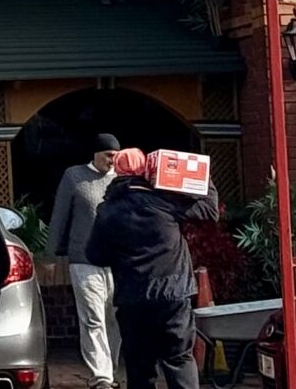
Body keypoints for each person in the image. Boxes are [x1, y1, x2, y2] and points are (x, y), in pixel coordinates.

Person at [85, 147, 216, 389]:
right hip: (173, 295)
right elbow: (210, 211)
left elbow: (94, 256)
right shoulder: (166, 202)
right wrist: (201, 176)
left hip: (132, 298)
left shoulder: (107, 211)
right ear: (147, 170)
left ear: (117, 173)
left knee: (139, 368)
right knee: (179, 359)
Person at [48, 133, 122, 387]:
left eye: (116, 156)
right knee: (92, 318)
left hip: (117, 262)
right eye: (108, 155)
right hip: (84, 259)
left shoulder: (121, 180)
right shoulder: (74, 176)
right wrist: (51, 255)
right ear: (96, 153)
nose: (112, 161)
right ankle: (102, 375)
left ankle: (111, 369)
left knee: (114, 318)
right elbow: (59, 216)